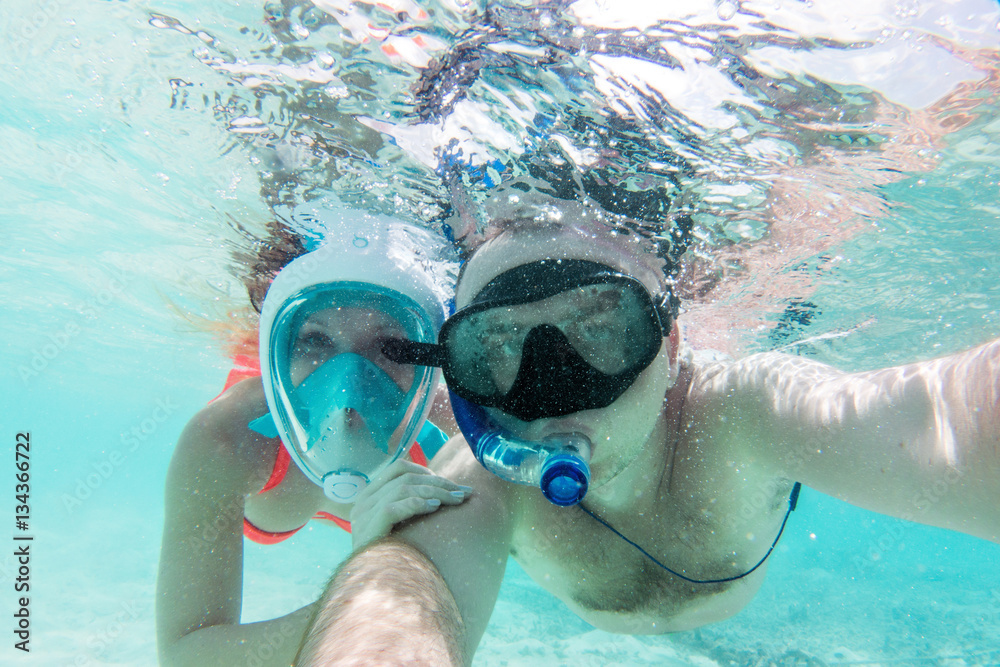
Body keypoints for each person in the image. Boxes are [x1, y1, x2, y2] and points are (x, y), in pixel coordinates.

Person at [295, 209, 999, 666]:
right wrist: (383, 580)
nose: (552, 388)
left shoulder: (745, 413)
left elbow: (954, 427)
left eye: (601, 326)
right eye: (502, 345)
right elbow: (404, 594)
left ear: (671, 342)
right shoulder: (482, 480)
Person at [156, 206, 472, 667]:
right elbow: (186, 655)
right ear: (275, 351)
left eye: (390, 348)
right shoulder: (226, 438)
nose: (349, 388)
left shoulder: (454, 427)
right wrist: (362, 589)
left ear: (428, 364)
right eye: (315, 342)